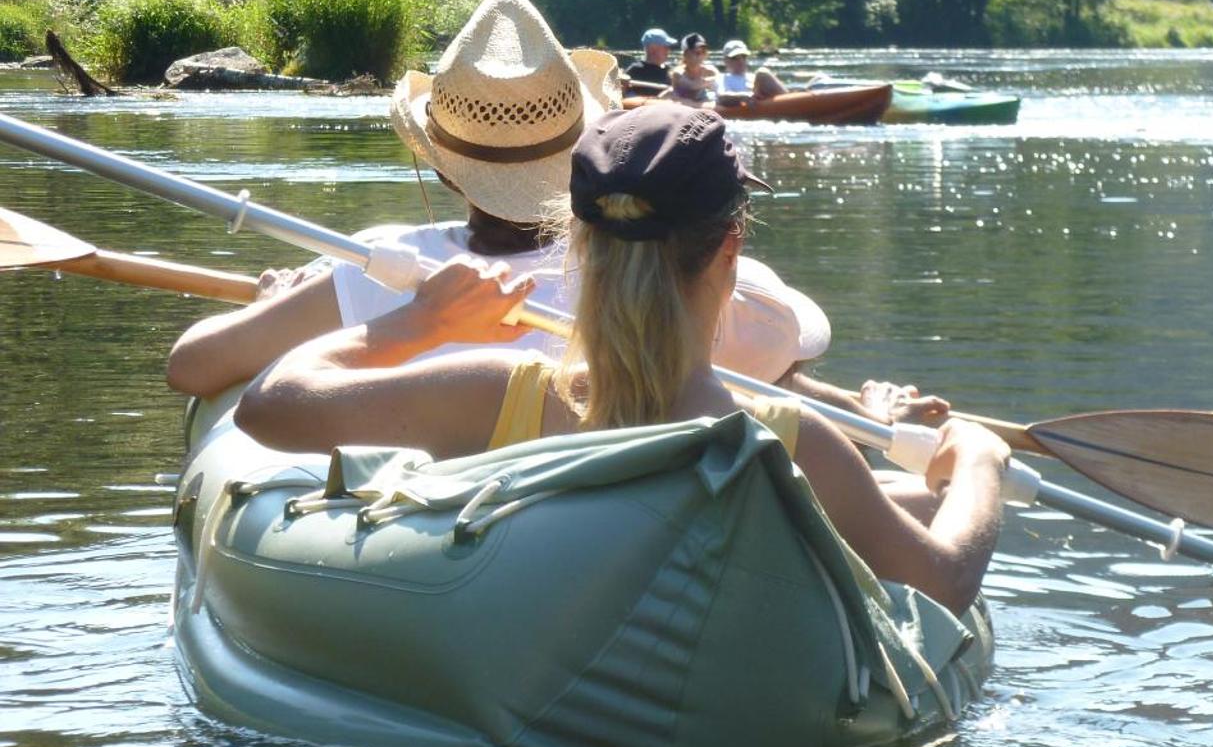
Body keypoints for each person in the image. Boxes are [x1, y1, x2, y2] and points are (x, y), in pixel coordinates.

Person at [235, 102, 1012, 614]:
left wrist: (415, 325)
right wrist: (979, 463)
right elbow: (943, 580)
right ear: (729, 250)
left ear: (579, 245)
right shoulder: (794, 444)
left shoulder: (491, 396)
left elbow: (270, 403)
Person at [165, 0, 843, 406]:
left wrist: (279, 308)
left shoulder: (385, 267)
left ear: (446, 168)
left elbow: (192, 365)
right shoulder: (652, 273)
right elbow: (792, 347)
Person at [717, 38, 787, 101]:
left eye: (744, 56)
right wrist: (746, 97)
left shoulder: (754, 77)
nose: (741, 61)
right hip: (739, 107)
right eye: (735, 58)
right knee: (761, 72)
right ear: (725, 61)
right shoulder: (721, 78)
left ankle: (789, 101)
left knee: (763, 73)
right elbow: (721, 96)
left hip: (760, 103)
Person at [664, 32, 714, 104]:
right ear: (685, 54)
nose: (700, 55)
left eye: (703, 51)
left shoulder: (710, 71)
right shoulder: (678, 73)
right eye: (696, 52)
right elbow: (693, 86)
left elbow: (717, 80)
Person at [624, 27, 675, 93]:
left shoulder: (669, 71)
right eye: (665, 47)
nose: (668, 50)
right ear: (652, 49)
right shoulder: (636, 71)